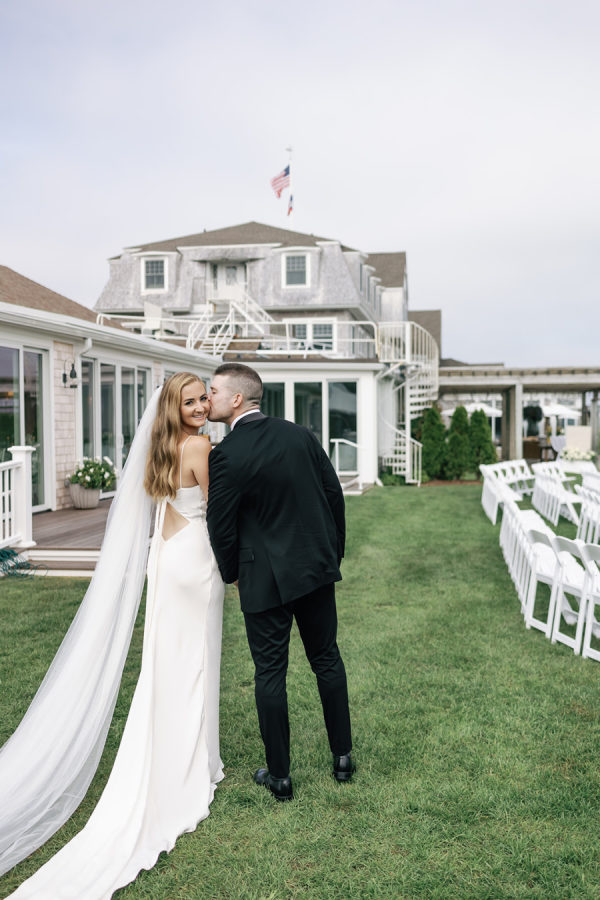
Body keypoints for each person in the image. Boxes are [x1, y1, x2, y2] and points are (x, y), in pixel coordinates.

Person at [1, 373, 224, 898]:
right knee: (196, 661)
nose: (197, 408)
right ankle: (196, 764)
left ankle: (191, 753)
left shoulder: (159, 447)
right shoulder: (200, 446)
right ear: (176, 407)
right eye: (189, 402)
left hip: (164, 558)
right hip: (196, 559)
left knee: (165, 664)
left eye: (201, 400)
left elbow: (160, 506)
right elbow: (220, 511)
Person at [206, 363, 354, 802]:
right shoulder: (300, 435)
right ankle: (342, 758)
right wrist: (332, 551)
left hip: (263, 577)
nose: (207, 398)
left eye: (212, 391)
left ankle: (280, 777)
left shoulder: (226, 455)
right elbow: (333, 495)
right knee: (327, 659)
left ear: (236, 399)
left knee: (270, 673)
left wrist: (231, 573)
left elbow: (221, 526)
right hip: (314, 570)